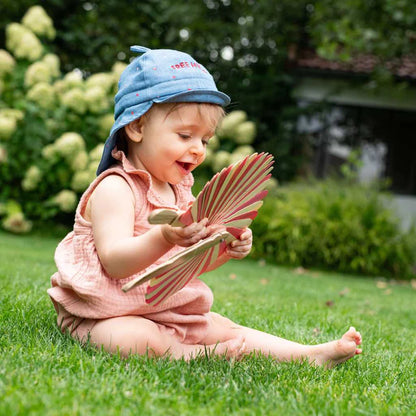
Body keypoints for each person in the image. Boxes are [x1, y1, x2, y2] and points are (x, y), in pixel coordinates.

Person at [48, 46, 362, 367]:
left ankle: (308, 355)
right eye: (185, 135)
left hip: (164, 309)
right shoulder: (116, 188)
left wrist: (224, 246)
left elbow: (190, 262)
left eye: (205, 140)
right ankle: (195, 356)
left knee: (220, 325)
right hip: (104, 314)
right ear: (137, 127)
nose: (198, 149)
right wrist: (165, 237)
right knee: (133, 337)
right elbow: (115, 263)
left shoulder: (180, 191)